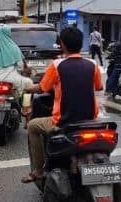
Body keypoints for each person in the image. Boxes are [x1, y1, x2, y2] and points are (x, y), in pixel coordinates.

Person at [21, 27, 103, 183]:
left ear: (62, 44)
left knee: (32, 125)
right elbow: (98, 87)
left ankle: (38, 170)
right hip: (90, 120)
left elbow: (42, 88)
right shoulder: (93, 64)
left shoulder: (57, 65)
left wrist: (26, 87)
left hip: (63, 122)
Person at [0, 25, 33, 118]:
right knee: (29, 83)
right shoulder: (14, 48)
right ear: (8, 34)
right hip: (12, 80)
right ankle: (25, 107)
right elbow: (20, 67)